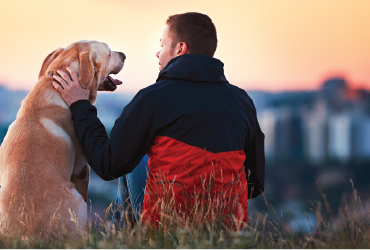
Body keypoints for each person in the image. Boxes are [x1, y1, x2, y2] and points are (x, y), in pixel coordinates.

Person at [51, 12, 265, 229]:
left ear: (180, 49)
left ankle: (121, 243)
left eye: (162, 45)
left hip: (167, 226)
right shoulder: (242, 101)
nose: (157, 53)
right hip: (226, 228)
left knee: (131, 164)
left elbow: (107, 164)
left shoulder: (153, 98)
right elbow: (255, 184)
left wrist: (80, 105)